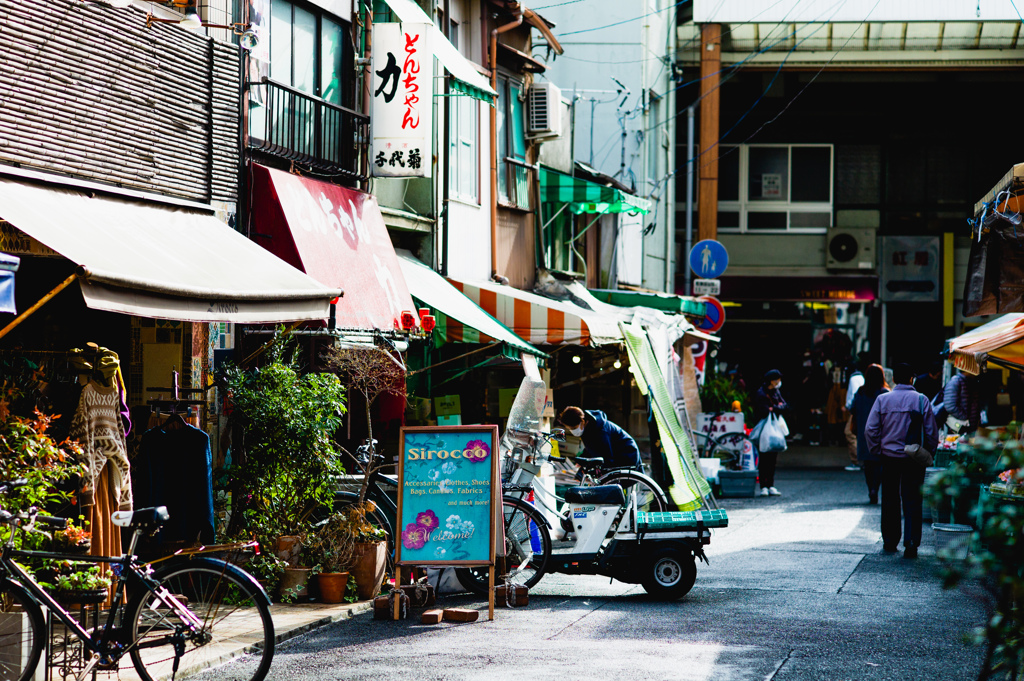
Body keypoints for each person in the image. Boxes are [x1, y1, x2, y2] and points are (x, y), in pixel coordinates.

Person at [864, 363, 939, 559]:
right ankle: (911, 543)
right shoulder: (922, 400)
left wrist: (877, 449)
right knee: (913, 500)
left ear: (894, 379)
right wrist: (928, 452)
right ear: (912, 379)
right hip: (914, 458)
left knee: (890, 499)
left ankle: (890, 540)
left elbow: (870, 430)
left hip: (888, 457)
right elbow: (932, 433)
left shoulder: (882, 400)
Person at [557, 407, 642, 470]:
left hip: (627, 456)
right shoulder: (587, 428)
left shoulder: (600, 431)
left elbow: (606, 457)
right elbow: (591, 449)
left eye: (573, 428)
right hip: (615, 457)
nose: (572, 431)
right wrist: (581, 461)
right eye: (570, 429)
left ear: (582, 421)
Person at [851, 364, 888, 504]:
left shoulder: (860, 392)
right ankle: (875, 489)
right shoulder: (884, 392)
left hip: (863, 431)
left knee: (867, 463)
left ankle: (870, 490)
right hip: (880, 432)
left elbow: (852, 409)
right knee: (878, 462)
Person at [753, 370, 787, 497]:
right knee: (764, 457)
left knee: (772, 457)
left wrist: (776, 408)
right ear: (771, 381)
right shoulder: (761, 393)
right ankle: (764, 486)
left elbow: (785, 405)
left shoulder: (776, 392)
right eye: (777, 379)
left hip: (774, 428)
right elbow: (764, 411)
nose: (779, 382)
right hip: (764, 429)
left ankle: (770, 485)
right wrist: (776, 407)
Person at [843, 360, 866, 472]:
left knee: (849, 433)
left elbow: (853, 395)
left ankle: (856, 460)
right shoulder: (861, 377)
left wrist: (848, 406)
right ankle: (861, 460)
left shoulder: (853, 379)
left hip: (856, 410)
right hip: (862, 410)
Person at [943, 369, 981, 433]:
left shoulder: (970, 381)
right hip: (961, 425)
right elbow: (950, 405)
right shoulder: (956, 381)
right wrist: (965, 417)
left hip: (970, 425)